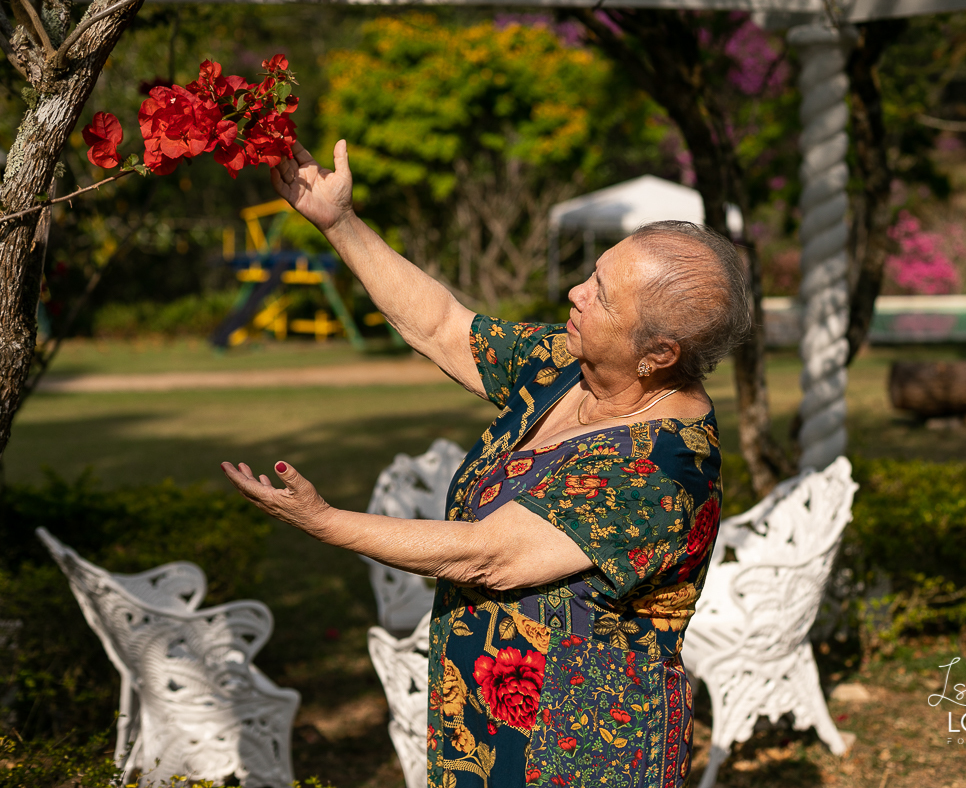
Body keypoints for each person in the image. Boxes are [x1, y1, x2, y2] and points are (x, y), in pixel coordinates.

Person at [221, 141, 752, 788]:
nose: (575, 292)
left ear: (659, 353)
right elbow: (444, 326)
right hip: (486, 716)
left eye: (603, 297)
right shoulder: (569, 367)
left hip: (579, 749)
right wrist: (341, 223)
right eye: (592, 275)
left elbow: (489, 557)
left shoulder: (664, 470)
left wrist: (325, 522)